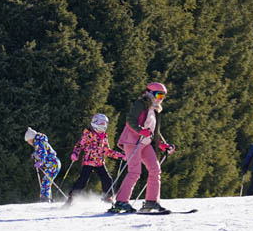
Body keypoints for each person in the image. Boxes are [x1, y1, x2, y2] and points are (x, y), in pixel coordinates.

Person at [110, 82, 176, 214]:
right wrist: (140, 130)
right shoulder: (140, 104)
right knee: (135, 172)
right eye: (158, 94)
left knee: (155, 169)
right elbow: (130, 120)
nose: (159, 98)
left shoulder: (155, 109)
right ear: (149, 93)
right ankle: (121, 202)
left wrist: (163, 144)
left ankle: (151, 201)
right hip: (132, 141)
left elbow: (154, 131)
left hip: (145, 142)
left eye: (162, 96)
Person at [66, 113, 124, 206]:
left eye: (104, 126)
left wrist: (120, 155)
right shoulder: (88, 134)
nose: (102, 129)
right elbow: (79, 145)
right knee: (83, 180)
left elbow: (107, 151)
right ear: (94, 124)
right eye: (100, 126)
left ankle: (107, 197)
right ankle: (72, 197)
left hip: (99, 163)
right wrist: (75, 153)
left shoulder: (104, 137)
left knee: (107, 179)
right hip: (88, 161)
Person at [24, 127, 61, 202]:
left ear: (31, 139)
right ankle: (46, 197)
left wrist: (41, 161)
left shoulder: (38, 142)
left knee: (46, 180)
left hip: (53, 164)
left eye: (28, 141)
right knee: (46, 180)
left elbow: (43, 153)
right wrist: (35, 155)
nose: (29, 143)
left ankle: (45, 198)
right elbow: (41, 152)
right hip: (53, 164)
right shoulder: (39, 141)